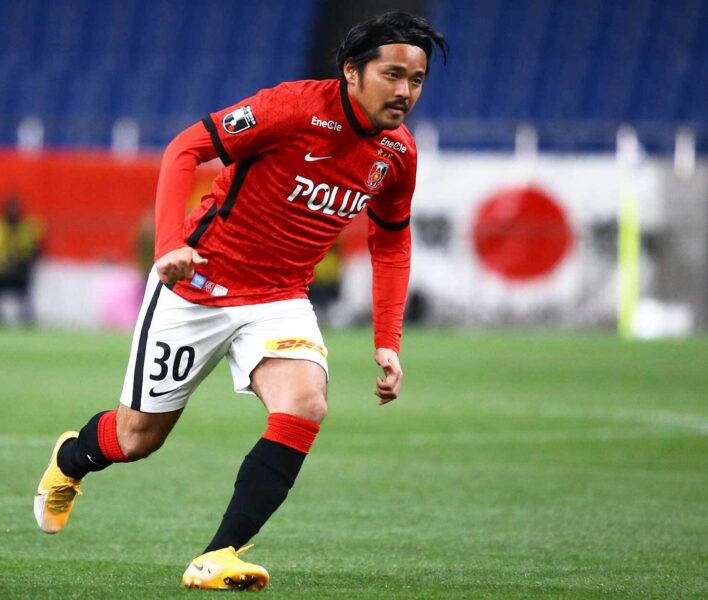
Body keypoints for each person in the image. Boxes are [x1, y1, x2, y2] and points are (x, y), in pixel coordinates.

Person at [34, 12, 446, 591]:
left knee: (305, 403)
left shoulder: (397, 154)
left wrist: (388, 341)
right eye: (393, 75)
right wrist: (170, 245)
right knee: (136, 438)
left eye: (417, 80)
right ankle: (71, 459)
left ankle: (217, 555)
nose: (405, 92)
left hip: (279, 298)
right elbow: (184, 148)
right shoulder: (292, 109)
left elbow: (392, 240)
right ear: (352, 72)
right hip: (198, 288)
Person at [0, 196, 44, 323]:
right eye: (10, 208)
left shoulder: (27, 227)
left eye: (15, 208)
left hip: (20, 273)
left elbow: (34, 251)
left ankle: (26, 318)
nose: (12, 211)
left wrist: (21, 264)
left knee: (25, 290)